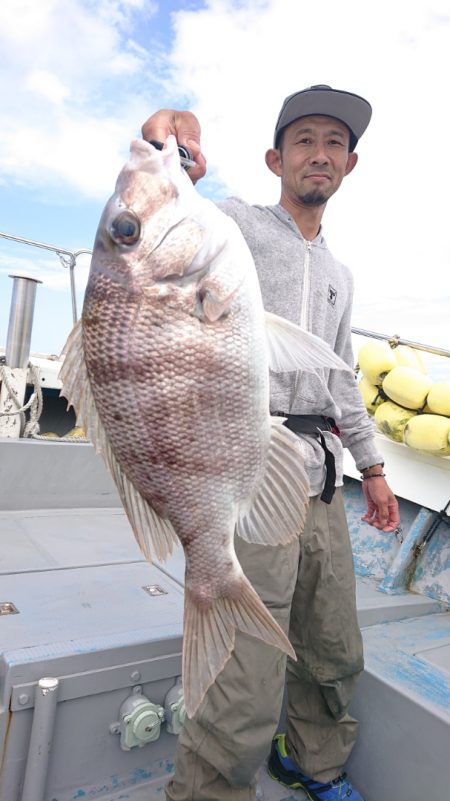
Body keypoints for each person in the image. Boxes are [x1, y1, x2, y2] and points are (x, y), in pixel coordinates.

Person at [142, 85, 400, 801]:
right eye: (304, 141)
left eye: (334, 144)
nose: (320, 154)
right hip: (248, 464)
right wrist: (168, 146)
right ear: (275, 158)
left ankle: (310, 761)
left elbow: (341, 376)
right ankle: (208, 792)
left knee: (333, 647)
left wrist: (372, 466)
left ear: (350, 165)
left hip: (322, 480)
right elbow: (170, 214)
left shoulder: (341, 275)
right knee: (246, 666)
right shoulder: (238, 226)